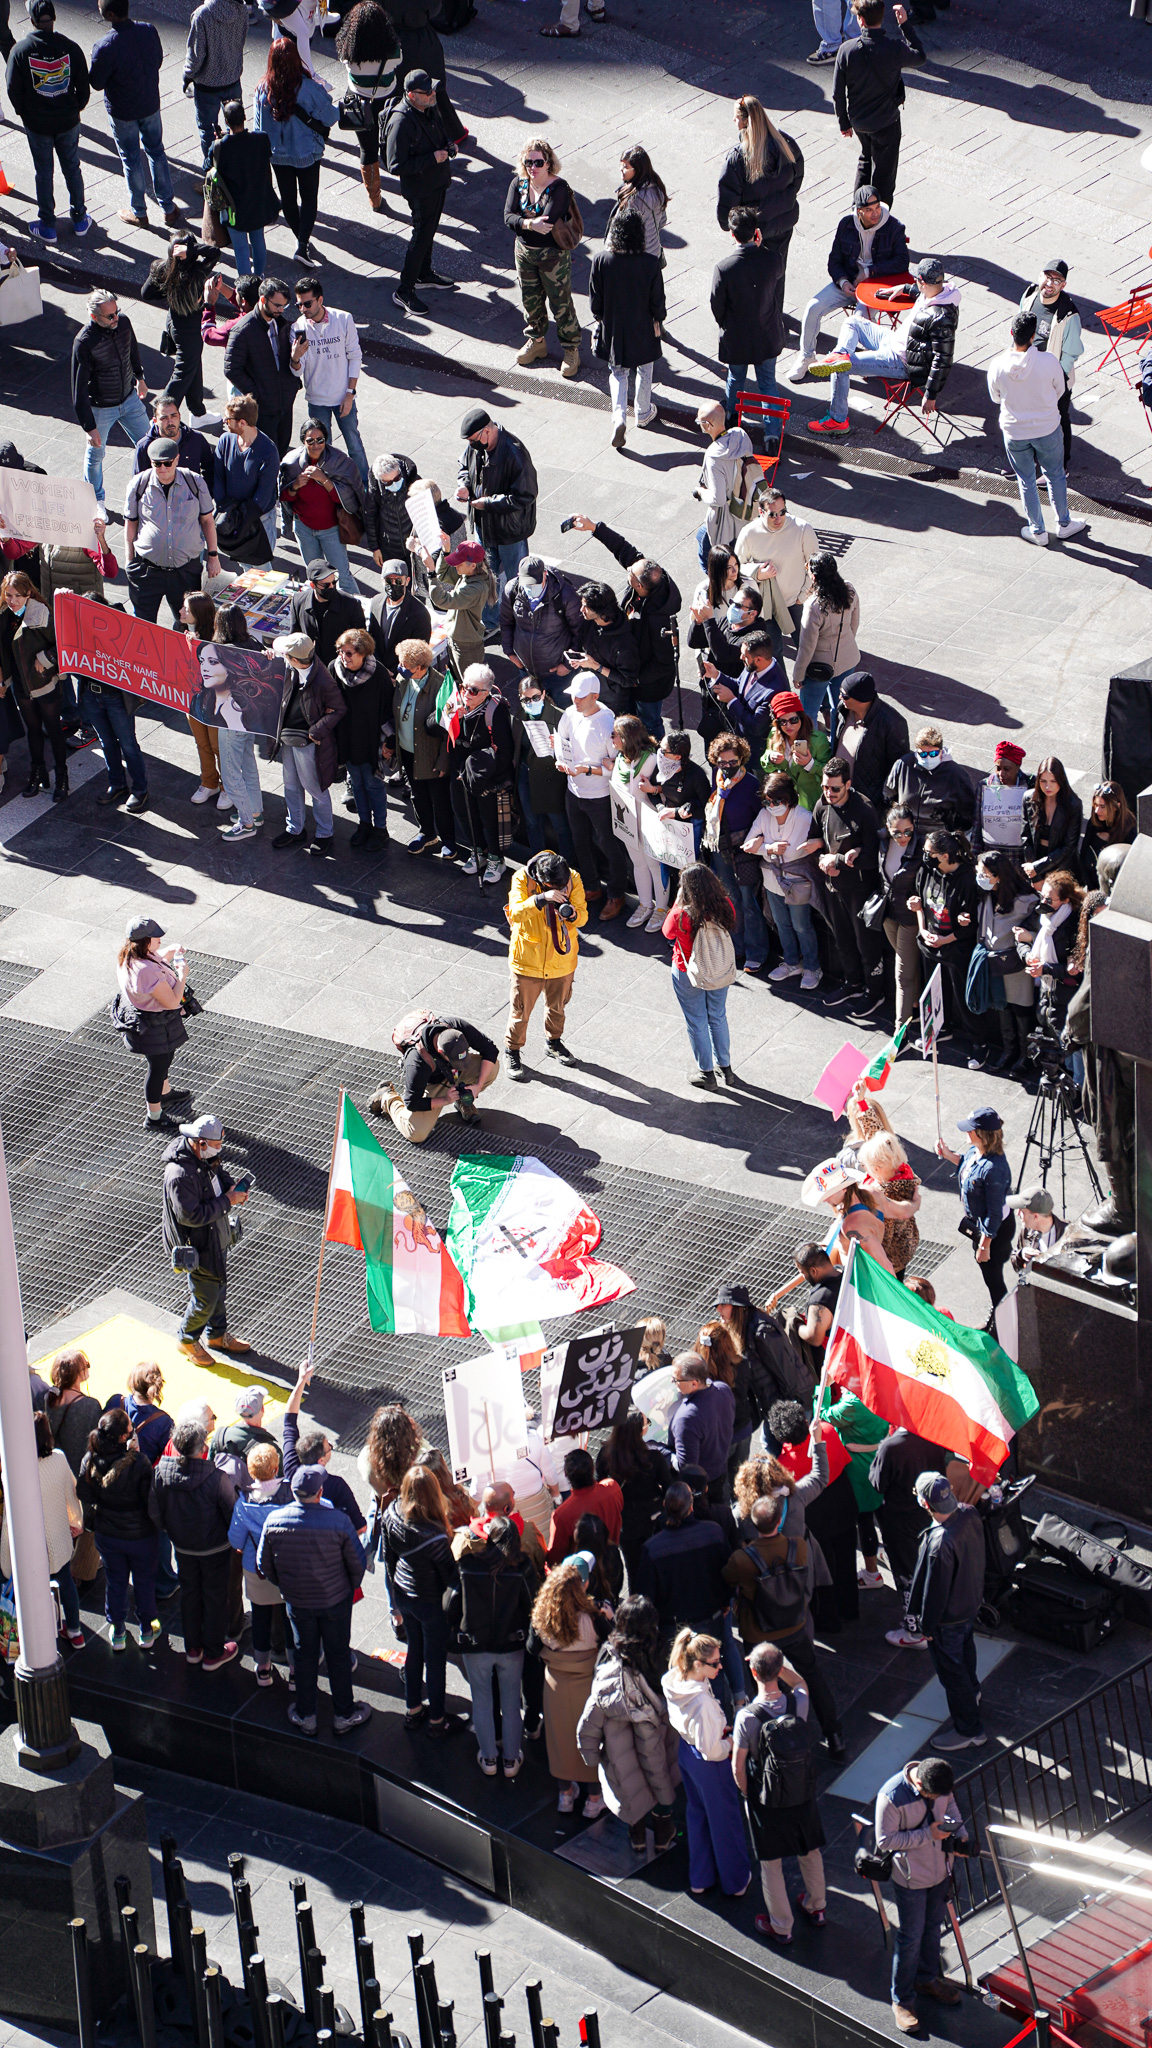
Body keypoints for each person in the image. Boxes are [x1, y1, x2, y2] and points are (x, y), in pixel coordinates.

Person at [723, 1490, 845, 1754]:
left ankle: (776, 1740)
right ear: (779, 1522)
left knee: (766, 1686)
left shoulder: (742, 1559)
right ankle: (834, 1735)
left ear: (752, 1524)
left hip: (758, 1633)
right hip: (794, 1625)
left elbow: (728, 1579)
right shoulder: (798, 1546)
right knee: (812, 1675)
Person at [256, 1462, 370, 1734]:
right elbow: (357, 1562)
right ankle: (344, 1713)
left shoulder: (274, 1521)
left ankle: (306, 1714)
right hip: (335, 1601)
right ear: (320, 1492)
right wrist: (347, 1587)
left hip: (298, 1603)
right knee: (339, 1655)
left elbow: (263, 1564)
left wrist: (284, 1586)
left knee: (305, 1656)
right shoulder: (339, 1522)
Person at [733, 1642, 826, 1944]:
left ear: (751, 1671)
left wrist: (749, 1795)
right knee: (809, 1849)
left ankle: (782, 1926)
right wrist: (777, 1663)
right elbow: (800, 1681)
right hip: (802, 1789)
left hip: (767, 1798)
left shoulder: (747, 1717)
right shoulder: (797, 1701)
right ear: (779, 1669)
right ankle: (816, 1906)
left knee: (771, 1863)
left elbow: (738, 1767)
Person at [808, 256, 959, 439]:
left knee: (840, 368)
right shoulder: (941, 292)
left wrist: (931, 394)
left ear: (922, 282)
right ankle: (840, 354)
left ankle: (837, 420)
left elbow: (943, 358)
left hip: (900, 361)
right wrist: (904, 288)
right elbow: (922, 295)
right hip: (894, 340)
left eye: (916, 282)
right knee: (853, 322)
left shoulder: (941, 318)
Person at [576, 1595, 680, 1852]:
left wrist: (590, 1753)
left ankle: (638, 1838)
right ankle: (663, 1834)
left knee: (630, 1787)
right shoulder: (662, 1653)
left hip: (617, 1739)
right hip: (657, 1734)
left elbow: (594, 1707)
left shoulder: (608, 1656)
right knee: (660, 1779)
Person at [562, 516, 680, 738]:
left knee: (649, 723)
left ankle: (656, 759)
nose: (627, 570)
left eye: (630, 574)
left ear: (639, 585)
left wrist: (634, 680)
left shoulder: (658, 620)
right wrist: (595, 528)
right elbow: (624, 550)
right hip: (630, 669)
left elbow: (663, 663)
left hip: (648, 686)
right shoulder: (646, 574)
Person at [876, 1755, 967, 2033]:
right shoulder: (891, 1796)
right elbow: (885, 1841)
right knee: (910, 1937)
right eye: (933, 1796)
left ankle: (927, 1978)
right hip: (910, 1879)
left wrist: (958, 1832)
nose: (939, 1798)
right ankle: (901, 1999)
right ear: (919, 1784)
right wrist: (928, 1835)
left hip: (939, 1872)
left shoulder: (939, 1781)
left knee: (932, 1930)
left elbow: (950, 1804)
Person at [662, 1627, 752, 1897]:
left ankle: (700, 1878)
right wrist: (732, 1743)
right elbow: (713, 1750)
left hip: (687, 1754)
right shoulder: (703, 1704)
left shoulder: (674, 1677)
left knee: (697, 1814)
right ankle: (736, 1881)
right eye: (715, 1663)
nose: (721, 1665)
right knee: (725, 1821)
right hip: (710, 1763)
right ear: (699, 1664)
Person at [986, 310, 1088, 548]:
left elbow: (995, 397)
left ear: (1012, 333)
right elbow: (1060, 391)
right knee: (1055, 475)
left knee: (1026, 480)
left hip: (1015, 432)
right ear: (1033, 337)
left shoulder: (997, 365)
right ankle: (1064, 523)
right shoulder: (1049, 361)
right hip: (1047, 429)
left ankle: (1037, 530)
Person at [789, 184, 909, 381]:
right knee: (812, 307)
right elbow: (834, 260)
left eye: (877, 207)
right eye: (869, 210)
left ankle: (847, 364)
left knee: (858, 321)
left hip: (875, 287)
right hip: (849, 282)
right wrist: (843, 281)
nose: (875, 213)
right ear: (859, 211)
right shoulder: (846, 225)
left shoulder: (894, 226)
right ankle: (807, 356)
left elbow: (902, 261)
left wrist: (870, 272)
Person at [446, 1514, 535, 1778]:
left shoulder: (467, 1565)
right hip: (511, 1646)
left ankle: (488, 1759)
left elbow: (449, 1604)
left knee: (482, 1702)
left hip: (476, 1645)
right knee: (510, 1704)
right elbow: (533, 1606)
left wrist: (457, 1628)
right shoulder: (522, 1567)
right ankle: (510, 1760)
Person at [161, 1111, 252, 1363]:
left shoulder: (202, 1156)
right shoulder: (179, 1174)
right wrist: (227, 1201)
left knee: (219, 1287)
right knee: (206, 1297)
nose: (218, 1151)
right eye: (215, 1146)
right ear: (200, 1143)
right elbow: (190, 1216)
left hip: (215, 1236)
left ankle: (216, 1335)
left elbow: (217, 1171)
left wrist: (230, 1187)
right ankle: (187, 1339)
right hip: (198, 1245)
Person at [908, 1471, 988, 1751]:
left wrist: (926, 1628)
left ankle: (969, 1730)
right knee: (966, 1654)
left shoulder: (939, 1544)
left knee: (952, 1674)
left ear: (925, 1504)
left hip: (947, 1620)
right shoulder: (969, 1513)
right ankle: (973, 1692)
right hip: (969, 1606)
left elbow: (935, 1594)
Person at [154, 1417, 239, 1668]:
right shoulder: (216, 1478)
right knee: (215, 1597)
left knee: (190, 1595)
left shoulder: (160, 1473)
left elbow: (155, 1511)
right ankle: (213, 1652)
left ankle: (193, 1649)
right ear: (203, 1448)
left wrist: (172, 1530)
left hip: (182, 1547)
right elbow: (231, 1512)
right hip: (214, 1548)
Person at [382, 1465, 461, 1735]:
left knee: (414, 1650)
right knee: (435, 1659)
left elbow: (388, 1557)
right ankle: (438, 1720)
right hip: (429, 1602)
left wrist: (395, 1591)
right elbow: (449, 1575)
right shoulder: (436, 1534)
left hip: (404, 1594)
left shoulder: (391, 1512)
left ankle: (413, 1709)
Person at [5, 0, 91, 247]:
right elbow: (83, 87)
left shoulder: (20, 52)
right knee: (72, 168)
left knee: (44, 173)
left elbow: (13, 89)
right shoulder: (70, 48)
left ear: (31, 21)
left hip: (38, 125)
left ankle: (47, 226)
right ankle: (80, 220)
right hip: (68, 121)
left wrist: (25, 114)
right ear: (54, 19)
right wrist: (75, 108)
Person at [89, 0, 178, 231]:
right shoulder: (148, 30)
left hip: (123, 113)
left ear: (109, 14)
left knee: (131, 159)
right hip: (149, 104)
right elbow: (157, 61)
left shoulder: (104, 46)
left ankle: (139, 211)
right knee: (157, 152)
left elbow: (97, 83)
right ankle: (168, 208)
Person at [76, 1406, 159, 1650]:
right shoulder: (139, 1463)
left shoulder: (90, 1459)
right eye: (131, 1430)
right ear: (123, 1437)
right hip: (141, 1535)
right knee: (144, 1582)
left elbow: (83, 1492)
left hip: (107, 1533)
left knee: (115, 1581)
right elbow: (150, 1498)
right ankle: (146, 1630)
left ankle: (118, 1630)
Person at [716, 96, 802, 330]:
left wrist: (733, 225)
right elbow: (798, 176)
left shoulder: (738, 158)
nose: (735, 123)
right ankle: (777, 315)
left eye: (736, 119)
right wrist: (785, 202)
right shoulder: (786, 143)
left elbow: (728, 204)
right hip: (783, 222)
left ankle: (764, 322)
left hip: (755, 230)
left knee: (756, 279)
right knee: (778, 268)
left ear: (743, 122)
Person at [531, 1560, 610, 1815]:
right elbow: (612, 1642)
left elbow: (532, 1648)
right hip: (589, 1686)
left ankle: (565, 1795)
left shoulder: (542, 1617)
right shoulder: (594, 1615)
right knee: (592, 1739)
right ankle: (594, 1799)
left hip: (555, 1685)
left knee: (559, 1741)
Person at [806, 754, 883, 1009]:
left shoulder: (864, 810)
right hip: (833, 887)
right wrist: (821, 860)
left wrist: (837, 860)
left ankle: (875, 991)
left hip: (860, 890)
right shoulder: (822, 805)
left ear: (848, 785)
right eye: (825, 787)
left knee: (866, 943)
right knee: (843, 939)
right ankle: (853, 983)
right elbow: (815, 840)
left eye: (835, 788)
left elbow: (873, 857)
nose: (829, 793)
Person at [832, 0, 926, 207]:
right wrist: (905, 25)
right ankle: (880, 216)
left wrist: (844, 123)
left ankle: (858, 210)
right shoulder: (894, 49)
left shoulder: (847, 51)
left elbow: (838, 93)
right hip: (886, 122)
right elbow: (920, 56)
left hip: (859, 122)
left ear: (861, 20)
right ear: (881, 18)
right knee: (885, 173)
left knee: (866, 157)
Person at [503, 849, 588, 1075]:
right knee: (520, 1011)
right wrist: (541, 899)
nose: (560, 889)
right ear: (542, 880)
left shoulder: (573, 878)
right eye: (554, 887)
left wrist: (571, 916)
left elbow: (583, 916)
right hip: (528, 960)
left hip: (561, 959)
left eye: (562, 885)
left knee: (557, 1007)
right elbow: (517, 914)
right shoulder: (522, 878)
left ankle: (554, 1042)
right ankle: (512, 1050)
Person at [253, 36, 335, 264]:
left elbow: (258, 129)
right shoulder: (308, 88)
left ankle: (302, 241)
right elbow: (330, 117)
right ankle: (302, 245)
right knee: (309, 198)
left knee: (288, 200)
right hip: (307, 153)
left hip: (278, 156)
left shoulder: (263, 90)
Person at [5, 1411, 84, 1648]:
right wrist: (76, 1522)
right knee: (66, 1584)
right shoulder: (58, 1458)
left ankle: (38, 1636)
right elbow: (72, 1493)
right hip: (58, 1538)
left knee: (32, 1592)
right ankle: (76, 1632)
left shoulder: (14, 1466)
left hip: (28, 1543)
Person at [505, 135, 582, 377]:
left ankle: (571, 349)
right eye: (529, 162)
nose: (533, 168)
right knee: (530, 301)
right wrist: (529, 224)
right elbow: (507, 217)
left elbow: (546, 223)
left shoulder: (558, 188)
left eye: (538, 163)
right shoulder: (518, 183)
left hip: (552, 256)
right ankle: (537, 341)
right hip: (524, 252)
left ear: (548, 162)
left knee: (560, 303)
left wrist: (523, 222)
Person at [554, 674, 628, 920]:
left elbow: (615, 768)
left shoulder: (607, 724)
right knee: (580, 841)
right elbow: (560, 738)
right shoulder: (570, 713)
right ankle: (593, 887)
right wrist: (560, 760)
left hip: (600, 797)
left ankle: (616, 894)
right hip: (573, 790)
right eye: (573, 695)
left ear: (595, 697)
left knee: (608, 845)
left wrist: (585, 769)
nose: (575, 700)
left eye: (580, 696)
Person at [384, 68, 457, 315]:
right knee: (421, 234)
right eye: (427, 92)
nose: (433, 94)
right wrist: (431, 158)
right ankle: (404, 290)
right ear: (412, 95)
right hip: (420, 189)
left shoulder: (428, 107)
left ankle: (424, 273)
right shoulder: (401, 121)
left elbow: (439, 131)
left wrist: (447, 145)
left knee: (430, 231)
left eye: (432, 89)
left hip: (437, 182)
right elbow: (395, 165)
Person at [124, 440, 221, 625]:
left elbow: (207, 520)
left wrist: (213, 555)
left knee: (187, 625)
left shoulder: (194, 482)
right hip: (147, 571)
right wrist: (129, 562)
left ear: (176, 459)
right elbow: (130, 524)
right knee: (143, 626)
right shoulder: (138, 484)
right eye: (157, 464)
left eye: (167, 463)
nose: (162, 468)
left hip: (185, 571)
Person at [456, 408, 538, 624]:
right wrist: (464, 485)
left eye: (474, 440)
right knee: (487, 577)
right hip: (485, 526)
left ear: (486, 431)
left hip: (510, 531)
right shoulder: (475, 447)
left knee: (517, 579)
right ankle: (491, 621)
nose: (472, 445)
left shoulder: (515, 453)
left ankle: (523, 622)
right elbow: (464, 466)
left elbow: (526, 495)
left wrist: (488, 504)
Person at [71, 292, 150, 513]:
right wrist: (89, 427)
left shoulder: (123, 323)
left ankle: (149, 492)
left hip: (129, 399)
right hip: (101, 408)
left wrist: (140, 378)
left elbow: (132, 349)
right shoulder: (84, 342)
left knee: (150, 445)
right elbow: (78, 390)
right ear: (94, 317)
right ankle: (96, 501)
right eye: (110, 316)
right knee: (95, 455)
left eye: (117, 312)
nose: (116, 318)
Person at [590, 211, 664, 448]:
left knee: (618, 372)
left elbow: (595, 300)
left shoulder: (601, 261)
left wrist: (599, 318)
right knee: (645, 367)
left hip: (614, 327)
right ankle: (642, 413)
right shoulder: (650, 263)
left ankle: (619, 416)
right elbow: (657, 300)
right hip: (642, 325)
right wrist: (658, 320)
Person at [743, 769, 822, 988]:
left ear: (788, 798)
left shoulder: (804, 817)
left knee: (801, 926)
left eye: (777, 800)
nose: (772, 806)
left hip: (797, 881)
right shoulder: (763, 815)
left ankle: (813, 967)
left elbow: (808, 848)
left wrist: (762, 847)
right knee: (781, 924)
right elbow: (750, 844)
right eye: (767, 801)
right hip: (772, 880)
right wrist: (770, 848)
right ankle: (791, 962)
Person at [663, 863, 738, 1089]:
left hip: (688, 973)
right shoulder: (725, 906)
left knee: (697, 1022)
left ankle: (706, 1073)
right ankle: (725, 1067)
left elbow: (666, 931)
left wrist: (677, 902)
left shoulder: (681, 915)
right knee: (717, 1016)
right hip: (718, 970)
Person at [270, 630, 345, 855]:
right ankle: (295, 828)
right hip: (288, 738)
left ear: (295, 659)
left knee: (315, 788)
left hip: (308, 742)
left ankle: (324, 833)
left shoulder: (323, 681)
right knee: (291, 784)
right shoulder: (294, 667)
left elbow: (339, 709)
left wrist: (315, 732)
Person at [705, 730, 774, 971]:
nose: (727, 767)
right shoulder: (718, 776)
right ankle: (736, 947)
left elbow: (762, 817)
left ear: (741, 759)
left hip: (743, 849)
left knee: (748, 900)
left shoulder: (752, 783)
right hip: (719, 846)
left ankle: (757, 951)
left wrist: (752, 842)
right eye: (722, 762)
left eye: (732, 762)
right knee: (730, 899)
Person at [908, 827, 979, 1061]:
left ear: (945, 856)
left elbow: (970, 925)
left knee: (963, 997)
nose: (925, 856)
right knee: (937, 994)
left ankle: (979, 1044)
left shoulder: (968, 879)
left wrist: (945, 939)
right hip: (930, 946)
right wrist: (922, 930)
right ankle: (942, 1028)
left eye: (930, 852)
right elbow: (920, 904)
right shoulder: (927, 871)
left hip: (956, 949)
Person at [115, 912, 191, 1129]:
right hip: (154, 1025)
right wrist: (182, 975)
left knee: (163, 1060)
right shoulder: (144, 972)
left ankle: (165, 1094)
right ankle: (154, 1117)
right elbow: (173, 1001)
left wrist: (171, 951)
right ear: (145, 941)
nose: (161, 939)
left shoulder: (131, 956)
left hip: (150, 1021)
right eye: (157, 937)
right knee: (157, 1067)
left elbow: (157, 959)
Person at [373, 1011, 498, 1142]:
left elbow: (490, 1050)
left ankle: (461, 1098)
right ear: (440, 1051)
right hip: (433, 1085)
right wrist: (445, 1100)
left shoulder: (456, 1027)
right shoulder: (417, 1062)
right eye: (455, 1060)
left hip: (453, 1075)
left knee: (492, 1068)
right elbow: (412, 1102)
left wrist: (478, 1086)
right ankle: (387, 1097)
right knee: (416, 1133)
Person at [936, 1107, 1013, 1315]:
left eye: (970, 1130)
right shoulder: (975, 1151)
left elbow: (994, 1213)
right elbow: (967, 1165)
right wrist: (948, 1154)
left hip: (993, 1231)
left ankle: (1001, 1315)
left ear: (981, 1134)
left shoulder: (994, 1169)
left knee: (992, 1277)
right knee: (990, 1273)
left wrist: (984, 1246)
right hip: (983, 1225)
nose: (966, 1133)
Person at [710, 207, 785, 422]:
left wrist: (726, 324)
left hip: (737, 337)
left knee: (735, 379)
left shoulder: (724, 268)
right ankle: (772, 435)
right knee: (768, 384)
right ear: (757, 232)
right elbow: (777, 275)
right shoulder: (773, 260)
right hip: (767, 335)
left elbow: (717, 305)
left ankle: (733, 417)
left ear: (732, 235)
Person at [291, 276, 368, 482]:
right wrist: (295, 358)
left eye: (307, 303)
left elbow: (355, 356)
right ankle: (331, 486)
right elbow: (298, 371)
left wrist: (350, 393)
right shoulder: (298, 328)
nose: (303, 309)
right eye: (299, 304)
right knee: (323, 449)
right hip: (317, 400)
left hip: (343, 395)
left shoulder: (343, 319)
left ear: (320, 300)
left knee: (354, 444)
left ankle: (365, 486)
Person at [141, 235, 221, 431]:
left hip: (174, 324)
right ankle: (161, 417)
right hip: (191, 330)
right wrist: (193, 249)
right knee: (183, 372)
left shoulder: (164, 269)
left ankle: (198, 413)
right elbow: (215, 252)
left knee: (192, 365)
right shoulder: (198, 271)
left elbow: (146, 293)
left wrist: (169, 262)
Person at [0, 569, 67, 804]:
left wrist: (46, 658)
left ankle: (61, 777)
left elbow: (63, 643)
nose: (12, 600)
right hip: (20, 684)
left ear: (28, 593)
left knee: (54, 731)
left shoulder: (42, 614)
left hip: (43, 682)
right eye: (8, 595)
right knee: (33, 731)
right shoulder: (4, 616)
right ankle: (37, 772)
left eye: (17, 595)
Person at [228, 1444, 292, 1685]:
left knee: (260, 1617)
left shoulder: (243, 1502)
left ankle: (263, 1668)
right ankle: (295, 1672)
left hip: (256, 1570)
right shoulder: (291, 1496)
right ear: (276, 1468)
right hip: (287, 1569)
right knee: (289, 1620)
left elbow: (235, 1540)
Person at [279, 419, 365, 594]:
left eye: (320, 440)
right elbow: (283, 496)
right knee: (315, 576)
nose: (316, 445)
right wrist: (295, 486)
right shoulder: (292, 462)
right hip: (304, 529)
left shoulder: (340, 461)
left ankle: (356, 613)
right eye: (310, 441)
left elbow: (348, 498)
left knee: (343, 577)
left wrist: (324, 480)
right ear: (303, 441)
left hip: (331, 530)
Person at [974, 847, 1037, 1076]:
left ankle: (1025, 1056)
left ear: (998, 875)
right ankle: (1009, 1051)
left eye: (985, 874)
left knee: (1021, 1010)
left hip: (1016, 964)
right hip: (994, 963)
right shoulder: (987, 894)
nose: (980, 878)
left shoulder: (1026, 901)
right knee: (1003, 1008)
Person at [390, 637, 455, 855]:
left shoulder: (441, 686)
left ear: (420, 667)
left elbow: (449, 729)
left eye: (404, 665)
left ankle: (448, 840)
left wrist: (444, 760)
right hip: (408, 751)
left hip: (431, 755)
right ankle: (427, 833)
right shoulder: (403, 679)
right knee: (418, 796)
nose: (400, 668)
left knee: (440, 800)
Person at [334, 0, 400, 213]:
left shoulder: (348, 54)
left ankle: (375, 198)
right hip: (387, 100)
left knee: (367, 149)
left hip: (358, 103)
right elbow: (399, 61)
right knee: (388, 138)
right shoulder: (392, 54)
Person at [223, 278, 300, 458]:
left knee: (282, 451)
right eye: (277, 305)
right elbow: (231, 369)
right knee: (268, 455)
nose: (281, 310)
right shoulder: (243, 330)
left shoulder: (280, 323)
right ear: (263, 300)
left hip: (284, 404)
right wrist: (255, 393)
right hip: (264, 410)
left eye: (284, 306)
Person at [735, 488, 818, 654]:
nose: (778, 518)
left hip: (796, 603)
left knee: (808, 649)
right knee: (773, 653)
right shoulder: (749, 533)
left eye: (783, 512)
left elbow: (815, 566)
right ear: (761, 512)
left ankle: (808, 680)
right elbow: (736, 566)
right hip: (767, 605)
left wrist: (802, 597)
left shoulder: (802, 529)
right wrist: (757, 572)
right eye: (773, 514)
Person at [1019, 259, 1084, 471]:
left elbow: (1071, 352)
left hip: (1052, 379)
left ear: (1063, 285)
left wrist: (1057, 380)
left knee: (1057, 422)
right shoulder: (1029, 296)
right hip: (1026, 372)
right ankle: (1024, 461)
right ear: (1040, 276)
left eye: (1057, 280)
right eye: (1048, 277)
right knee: (1024, 418)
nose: (1050, 283)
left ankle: (1059, 467)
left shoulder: (1069, 313)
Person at [596, 1410, 671, 1590]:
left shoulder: (606, 1454)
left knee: (633, 1568)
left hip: (624, 1522)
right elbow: (668, 1487)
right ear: (640, 1431)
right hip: (651, 1519)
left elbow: (600, 1484)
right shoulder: (654, 1457)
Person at [791, 551, 861, 733]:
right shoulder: (849, 590)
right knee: (841, 709)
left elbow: (807, 647)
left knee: (808, 713)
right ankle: (838, 746)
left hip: (819, 668)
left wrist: (798, 674)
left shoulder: (813, 605)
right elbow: (854, 623)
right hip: (848, 659)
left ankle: (814, 753)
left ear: (813, 576)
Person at [332, 627, 388, 849]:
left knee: (373, 784)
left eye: (349, 653)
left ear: (363, 653)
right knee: (356, 784)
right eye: (341, 652)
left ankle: (381, 829)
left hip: (371, 741)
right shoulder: (334, 669)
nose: (343, 658)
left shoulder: (379, 675)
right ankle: (364, 824)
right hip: (347, 739)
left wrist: (388, 743)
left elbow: (387, 711)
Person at [499, 555, 582, 705]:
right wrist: (510, 653)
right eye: (528, 584)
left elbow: (580, 632)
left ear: (545, 575)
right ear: (519, 577)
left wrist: (567, 666)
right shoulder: (511, 590)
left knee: (562, 711)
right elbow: (506, 622)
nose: (531, 589)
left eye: (536, 584)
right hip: (526, 669)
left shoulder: (566, 595)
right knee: (533, 710)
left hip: (558, 674)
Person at [210, 101, 279, 278]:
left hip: (234, 207)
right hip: (257, 202)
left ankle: (246, 287)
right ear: (245, 117)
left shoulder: (220, 147)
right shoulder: (261, 138)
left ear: (226, 121)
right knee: (258, 241)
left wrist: (220, 139)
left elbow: (208, 166)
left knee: (240, 249)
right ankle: (260, 275)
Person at [610, 715, 666, 928]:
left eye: (615, 735)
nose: (611, 738)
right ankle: (645, 904)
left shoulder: (651, 759)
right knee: (638, 863)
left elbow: (665, 787)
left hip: (650, 820)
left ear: (627, 738)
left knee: (654, 864)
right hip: (627, 820)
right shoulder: (620, 756)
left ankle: (661, 908)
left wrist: (654, 789)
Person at [184, 0, 249, 174]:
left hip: (207, 85)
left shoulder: (202, 15)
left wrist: (187, 76)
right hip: (233, 79)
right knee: (235, 128)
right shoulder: (241, 10)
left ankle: (214, 175)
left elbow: (196, 55)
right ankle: (237, 170)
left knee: (208, 131)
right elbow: (241, 40)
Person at [214, 393, 279, 564]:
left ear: (242, 423)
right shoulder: (225, 441)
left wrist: (242, 520)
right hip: (231, 513)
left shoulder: (268, 452)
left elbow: (263, 496)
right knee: (244, 567)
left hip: (258, 519)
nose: (224, 422)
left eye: (228, 420)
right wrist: (227, 510)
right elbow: (218, 478)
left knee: (260, 571)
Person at [836, 673, 909, 816]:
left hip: (867, 801)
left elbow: (898, 767)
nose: (840, 698)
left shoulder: (892, 723)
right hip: (838, 792)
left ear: (861, 699)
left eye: (844, 696)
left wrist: (883, 800)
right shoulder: (843, 709)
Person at [667, 1350, 735, 1501]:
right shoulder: (723, 1389)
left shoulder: (686, 1419)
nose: (673, 1382)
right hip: (721, 1472)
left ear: (694, 1384)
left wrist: (666, 1456)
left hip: (702, 1489)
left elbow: (686, 1467)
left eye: (676, 1379)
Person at [883, 725, 975, 836]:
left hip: (938, 838)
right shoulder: (903, 764)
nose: (928, 758)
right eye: (922, 754)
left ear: (941, 751)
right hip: (905, 834)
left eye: (933, 754)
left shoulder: (957, 774)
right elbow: (888, 794)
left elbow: (968, 810)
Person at [692, 412, 756, 570]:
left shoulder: (713, 456)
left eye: (700, 421)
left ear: (708, 425)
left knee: (707, 547)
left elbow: (718, 498)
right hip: (746, 504)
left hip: (726, 515)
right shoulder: (741, 435)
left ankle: (716, 583)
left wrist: (700, 492)